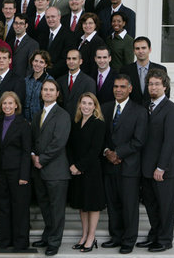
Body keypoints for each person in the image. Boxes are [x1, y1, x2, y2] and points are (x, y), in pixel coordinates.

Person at [100, 74, 147, 254]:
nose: (118, 90)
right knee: (112, 204)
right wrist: (107, 152)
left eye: (122, 87)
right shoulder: (105, 108)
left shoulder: (139, 111)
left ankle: (128, 240)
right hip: (109, 165)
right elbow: (101, 137)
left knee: (129, 205)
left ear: (130, 89)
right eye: (115, 87)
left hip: (129, 167)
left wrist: (117, 153)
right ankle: (116, 236)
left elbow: (139, 140)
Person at [139, 69, 174, 252]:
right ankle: (155, 235)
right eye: (150, 84)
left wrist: (161, 167)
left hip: (163, 169)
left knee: (165, 207)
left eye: (157, 84)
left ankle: (165, 240)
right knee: (151, 205)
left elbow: (170, 142)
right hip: (146, 168)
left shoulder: (172, 110)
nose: (153, 87)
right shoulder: (144, 107)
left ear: (164, 86)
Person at [31, 79, 71, 256]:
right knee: (45, 207)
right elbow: (33, 139)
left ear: (57, 94)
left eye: (51, 90)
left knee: (56, 209)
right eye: (45, 89)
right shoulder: (38, 114)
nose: (47, 92)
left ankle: (54, 242)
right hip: (39, 169)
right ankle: (48, 235)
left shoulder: (62, 115)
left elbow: (58, 142)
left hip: (56, 171)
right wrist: (33, 156)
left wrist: (42, 159)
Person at [67, 92, 106, 252]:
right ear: (79, 105)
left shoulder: (99, 123)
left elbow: (95, 150)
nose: (86, 106)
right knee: (82, 205)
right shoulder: (75, 122)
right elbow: (69, 146)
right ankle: (84, 235)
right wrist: (72, 165)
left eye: (90, 104)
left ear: (95, 106)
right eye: (84, 103)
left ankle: (91, 237)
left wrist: (79, 167)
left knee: (92, 205)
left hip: (91, 170)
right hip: (76, 170)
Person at [0, 91, 32, 251]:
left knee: (20, 207)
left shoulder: (23, 124)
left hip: (18, 172)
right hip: (1, 172)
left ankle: (20, 242)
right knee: (3, 206)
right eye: (4, 103)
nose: (7, 106)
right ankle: (5, 241)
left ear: (16, 105)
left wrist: (24, 175)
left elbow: (26, 150)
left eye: (10, 103)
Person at [120, 36, 168, 106]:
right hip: (132, 111)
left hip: (153, 111)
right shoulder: (125, 70)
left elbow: (166, 92)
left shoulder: (161, 69)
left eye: (143, 48)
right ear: (134, 51)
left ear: (150, 49)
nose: (140, 51)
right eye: (137, 48)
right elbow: (122, 92)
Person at [0, 47, 26, 119]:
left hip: (7, 121)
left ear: (10, 60)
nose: (1, 61)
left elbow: (18, 104)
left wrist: (0, 119)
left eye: (4, 58)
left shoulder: (18, 80)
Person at [58, 50, 96, 119]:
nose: (71, 61)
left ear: (80, 61)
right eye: (69, 59)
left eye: (74, 59)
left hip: (80, 122)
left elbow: (90, 106)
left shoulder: (89, 82)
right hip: (62, 121)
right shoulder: (60, 81)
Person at [40, 6, 72, 78]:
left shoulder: (69, 35)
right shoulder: (42, 34)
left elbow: (65, 59)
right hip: (42, 76)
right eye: (48, 17)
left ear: (59, 17)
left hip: (59, 77)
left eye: (53, 16)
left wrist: (47, 71)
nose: (50, 19)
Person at [5, 13, 39, 77]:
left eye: (21, 23)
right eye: (16, 23)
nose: (18, 26)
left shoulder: (33, 44)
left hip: (23, 82)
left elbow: (31, 67)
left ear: (26, 25)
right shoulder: (9, 43)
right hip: (9, 80)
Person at [24, 50, 53, 122]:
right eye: (36, 61)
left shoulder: (50, 81)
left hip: (41, 122)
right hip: (25, 122)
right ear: (32, 62)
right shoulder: (26, 80)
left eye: (41, 62)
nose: (37, 64)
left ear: (46, 65)